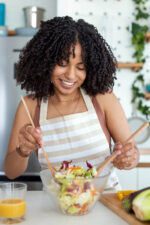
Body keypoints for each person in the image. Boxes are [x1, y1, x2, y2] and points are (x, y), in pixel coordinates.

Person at [4, 16, 139, 190]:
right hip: (58, 207)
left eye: (80, 67)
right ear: (45, 61)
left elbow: (131, 155)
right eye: (62, 63)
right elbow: (11, 172)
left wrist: (128, 158)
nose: (70, 75)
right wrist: (23, 151)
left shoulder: (103, 98)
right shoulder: (30, 106)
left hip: (105, 205)